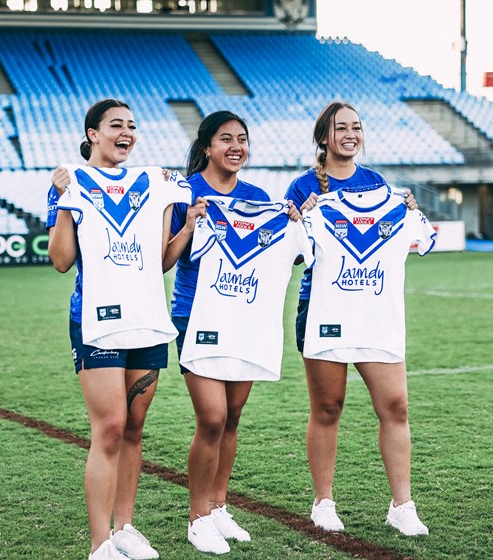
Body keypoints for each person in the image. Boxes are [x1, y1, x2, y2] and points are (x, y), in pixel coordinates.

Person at [47, 98, 192, 560]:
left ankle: (126, 527)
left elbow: (162, 260)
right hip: (96, 321)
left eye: (132, 125)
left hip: (148, 320)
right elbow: (60, 261)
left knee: (134, 427)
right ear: (93, 133)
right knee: (109, 427)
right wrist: (66, 199)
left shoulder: (154, 182)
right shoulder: (69, 181)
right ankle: (100, 543)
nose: (126, 132)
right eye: (115, 125)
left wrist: (187, 224)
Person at [285, 101, 430, 537]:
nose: (351, 133)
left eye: (357, 127)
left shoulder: (379, 185)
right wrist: (298, 218)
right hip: (324, 312)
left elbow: (410, 238)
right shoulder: (302, 186)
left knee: (396, 406)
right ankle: (323, 500)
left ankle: (402, 504)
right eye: (341, 127)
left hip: (375, 315)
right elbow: (294, 252)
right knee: (328, 407)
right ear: (324, 137)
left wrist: (409, 209)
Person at [162, 111, 303, 555]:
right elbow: (164, 260)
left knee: (233, 417)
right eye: (226, 139)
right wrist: (189, 223)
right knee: (212, 418)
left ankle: (219, 507)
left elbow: (286, 257)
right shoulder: (186, 193)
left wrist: (296, 221)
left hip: (245, 318)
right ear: (207, 146)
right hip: (195, 317)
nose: (236, 147)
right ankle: (197, 517)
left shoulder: (258, 197)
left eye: (242, 139)